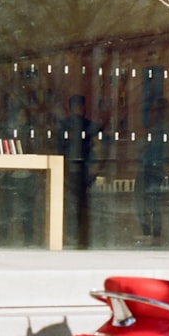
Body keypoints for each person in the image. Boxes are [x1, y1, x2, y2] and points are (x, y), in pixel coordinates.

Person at [59, 94, 102, 248]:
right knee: (78, 206)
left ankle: (76, 236)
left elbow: (97, 148)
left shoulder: (67, 126)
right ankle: (77, 236)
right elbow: (98, 148)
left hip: (75, 170)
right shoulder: (88, 126)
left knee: (74, 205)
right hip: (76, 170)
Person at [135, 97, 169, 239]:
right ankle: (149, 233)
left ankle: (152, 234)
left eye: (155, 111)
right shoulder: (154, 130)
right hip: (147, 168)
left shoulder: (162, 131)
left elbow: (142, 147)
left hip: (154, 169)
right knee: (142, 202)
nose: (151, 114)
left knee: (152, 203)